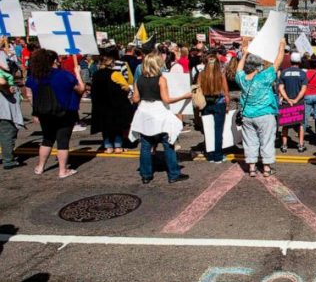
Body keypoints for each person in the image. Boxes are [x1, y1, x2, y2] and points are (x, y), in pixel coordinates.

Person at [128, 53, 191, 184]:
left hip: (145, 112)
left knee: (145, 145)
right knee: (168, 144)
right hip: (160, 112)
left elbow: (135, 99)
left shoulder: (139, 79)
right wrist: (184, 96)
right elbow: (166, 99)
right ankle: (173, 174)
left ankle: (146, 175)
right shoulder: (161, 79)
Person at [26, 50, 86, 178]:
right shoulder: (64, 75)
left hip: (44, 112)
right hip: (65, 112)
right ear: (54, 61)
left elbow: (29, 94)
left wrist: (36, 111)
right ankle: (62, 170)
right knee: (63, 141)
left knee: (47, 139)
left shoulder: (34, 77)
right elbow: (81, 89)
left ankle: (40, 167)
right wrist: (78, 74)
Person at [236, 40, 285, 177]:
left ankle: (252, 168)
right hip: (265, 114)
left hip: (248, 115)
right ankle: (266, 168)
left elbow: (238, 70)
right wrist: (281, 47)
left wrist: (244, 55)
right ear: (259, 66)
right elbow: (277, 62)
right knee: (267, 141)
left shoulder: (242, 79)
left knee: (250, 141)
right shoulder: (265, 76)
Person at [90, 47, 134, 154]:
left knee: (105, 127)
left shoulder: (95, 75)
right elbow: (125, 86)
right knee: (117, 126)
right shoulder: (115, 74)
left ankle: (108, 146)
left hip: (101, 104)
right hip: (114, 104)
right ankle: (118, 146)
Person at [198, 53, 231, 163]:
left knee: (208, 130)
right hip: (219, 103)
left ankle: (210, 155)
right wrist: (227, 105)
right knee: (218, 130)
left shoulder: (201, 74)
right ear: (217, 64)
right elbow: (226, 93)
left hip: (205, 104)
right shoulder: (220, 75)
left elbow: (198, 91)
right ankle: (218, 155)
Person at [277, 53, 308, 153]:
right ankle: (301, 145)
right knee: (300, 124)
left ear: (291, 61)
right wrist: (296, 100)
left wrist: (287, 99)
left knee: (285, 125)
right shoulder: (302, 74)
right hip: (299, 101)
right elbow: (303, 89)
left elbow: (280, 88)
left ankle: (284, 145)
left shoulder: (284, 72)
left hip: (286, 101)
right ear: (299, 62)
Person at [0, 69, 23, 169]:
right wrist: (7, 89)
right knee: (7, 133)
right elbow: (2, 81)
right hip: (3, 107)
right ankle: (8, 160)